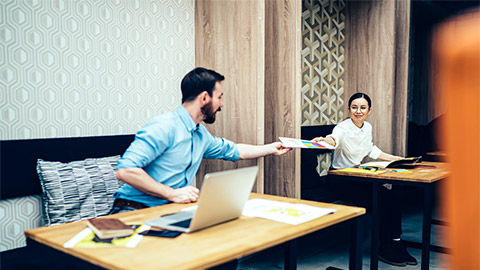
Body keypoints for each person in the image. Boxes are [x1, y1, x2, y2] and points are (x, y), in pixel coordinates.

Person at [110, 67, 291, 213]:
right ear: (204, 97)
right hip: (132, 210)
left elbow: (235, 151)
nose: (221, 104)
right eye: (219, 97)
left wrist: (272, 148)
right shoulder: (164, 126)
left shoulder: (200, 135)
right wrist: (172, 194)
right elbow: (125, 170)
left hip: (166, 210)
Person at [311, 92, 417, 267]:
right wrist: (323, 141)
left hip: (358, 177)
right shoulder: (342, 128)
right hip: (340, 179)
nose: (358, 111)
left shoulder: (367, 127)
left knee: (393, 196)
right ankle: (385, 246)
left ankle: (396, 241)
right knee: (382, 199)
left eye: (362, 108)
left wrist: (398, 159)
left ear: (369, 110)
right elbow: (333, 139)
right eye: (354, 107)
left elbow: (372, 150)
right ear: (349, 109)